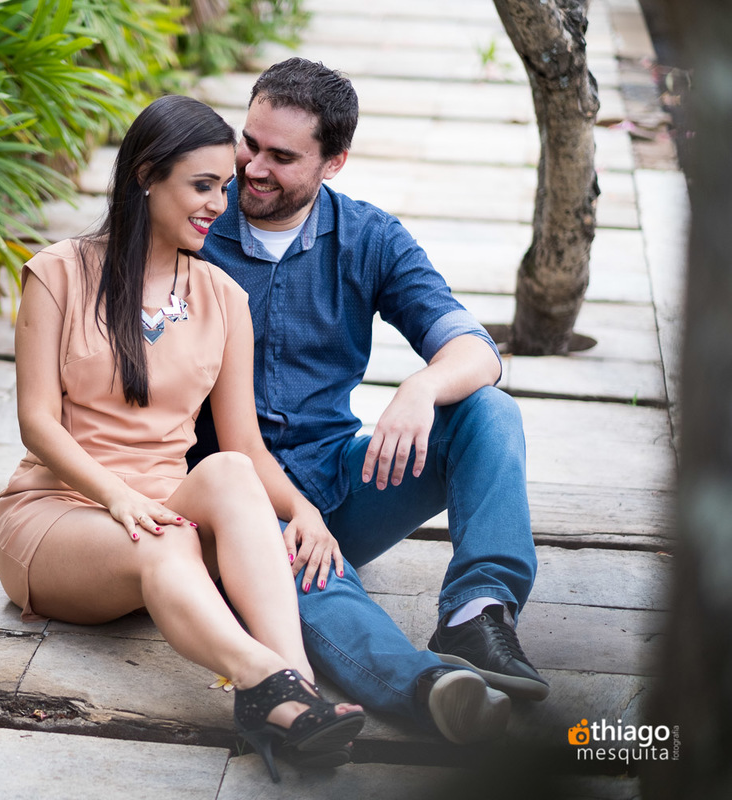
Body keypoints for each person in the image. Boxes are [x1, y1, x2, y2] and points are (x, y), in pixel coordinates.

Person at [0, 94, 366, 782]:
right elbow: (37, 422)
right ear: (145, 176)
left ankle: (297, 691)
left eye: (224, 186)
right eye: (202, 186)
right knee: (165, 535)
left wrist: (304, 510)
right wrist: (116, 497)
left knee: (224, 472)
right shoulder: (60, 273)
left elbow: (246, 448)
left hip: (164, 519)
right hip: (59, 515)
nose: (219, 204)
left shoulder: (224, 298)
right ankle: (267, 683)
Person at [192, 58, 549, 745]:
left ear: (335, 163)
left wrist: (419, 386)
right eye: (250, 143)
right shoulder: (200, 223)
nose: (252, 168)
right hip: (230, 501)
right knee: (293, 561)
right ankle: (425, 689)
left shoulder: (369, 238)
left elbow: (476, 352)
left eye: (282, 156)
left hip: (335, 482)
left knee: (487, 411)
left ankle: (478, 613)